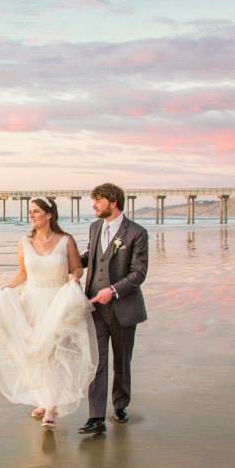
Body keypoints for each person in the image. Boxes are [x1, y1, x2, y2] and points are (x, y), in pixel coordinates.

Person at [0, 197, 98, 429]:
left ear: (49, 215)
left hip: (57, 301)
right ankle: (45, 400)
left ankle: (51, 407)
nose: (31, 215)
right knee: (37, 355)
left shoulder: (65, 241)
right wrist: (6, 289)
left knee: (53, 353)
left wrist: (74, 279)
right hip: (32, 301)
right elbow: (23, 274)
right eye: (30, 212)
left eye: (35, 211)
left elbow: (76, 268)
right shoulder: (24, 242)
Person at [77, 183, 149, 435]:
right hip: (94, 308)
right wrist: (64, 261)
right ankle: (96, 417)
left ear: (113, 202)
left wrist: (114, 291)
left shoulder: (136, 233)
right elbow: (91, 256)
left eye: (98, 201)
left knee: (121, 361)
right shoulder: (95, 227)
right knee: (97, 361)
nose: (94, 205)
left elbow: (139, 273)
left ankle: (120, 406)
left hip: (123, 309)